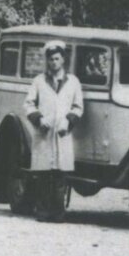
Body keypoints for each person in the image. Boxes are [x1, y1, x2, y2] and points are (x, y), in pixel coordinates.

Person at [23, 40, 84, 210]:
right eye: (51, 59)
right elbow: (28, 104)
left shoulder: (73, 82)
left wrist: (68, 121)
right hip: (44, 133)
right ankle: (42, 212)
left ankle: (58, 213)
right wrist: (39, 119)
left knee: (60, 175)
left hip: (62, 134)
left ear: (63, 59)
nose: (54, 62)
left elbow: (78, 107)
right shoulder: (39, 81)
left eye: (57, 59)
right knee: (43, 175)